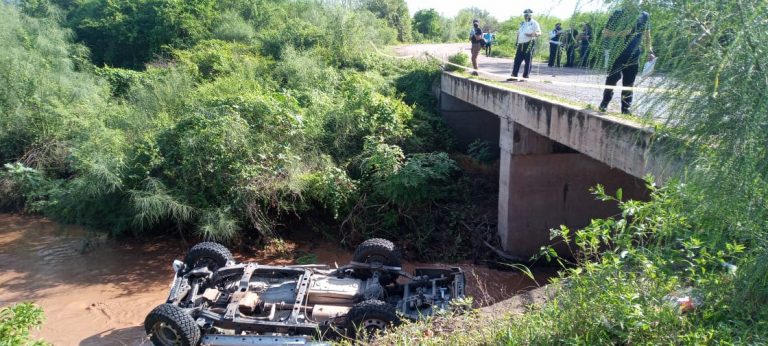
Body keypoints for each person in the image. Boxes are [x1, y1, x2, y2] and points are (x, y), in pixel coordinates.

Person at [599, 11, 654, 114]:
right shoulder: (618, 13)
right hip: (616, 53)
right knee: (612, 79)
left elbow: (647, 35)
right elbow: (605, 33)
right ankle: (604, 103)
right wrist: (622, 33)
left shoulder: (645, 15)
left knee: (629, 82)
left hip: (634, 54)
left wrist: (650, 51)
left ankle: (626, 109)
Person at [508, 9, 541, 81]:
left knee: (527, 60)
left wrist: (532, 34)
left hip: (529, 43)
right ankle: (514, 75)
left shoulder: (534, 23)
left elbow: (539, 33)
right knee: (517, 60)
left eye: (527, 15)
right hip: (520, 44)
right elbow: (519, 33)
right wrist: (516, 42)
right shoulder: (522, 23)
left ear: (530, 15)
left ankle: (525, 76)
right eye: (525, 15)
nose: (526, 16)